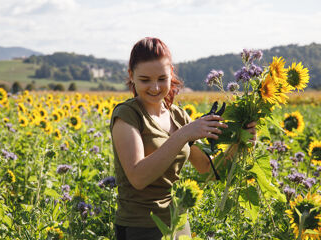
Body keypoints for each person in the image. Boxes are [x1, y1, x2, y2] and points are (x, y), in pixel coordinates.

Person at [110, 37, 257, 240]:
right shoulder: (128, 116)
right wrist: (184, 134)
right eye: (145, 80)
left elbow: (208, 170)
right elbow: (138, 177)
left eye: (162, 78)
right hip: (140, 227)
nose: (154, 87)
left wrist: (239, 144)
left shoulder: (178, 116)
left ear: (171, 74)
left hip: (178, 222)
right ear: (131, 76)